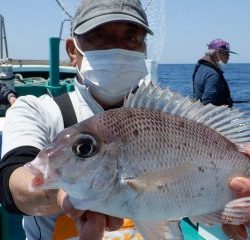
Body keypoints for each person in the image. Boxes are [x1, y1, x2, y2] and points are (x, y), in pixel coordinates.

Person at [0, 0, 152, 239]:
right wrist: (66, 195)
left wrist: (229, 214)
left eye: (131, 38)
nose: (117, 50)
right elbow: (13, 184)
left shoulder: (166, 119)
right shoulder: (37, 110)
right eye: (100, 36)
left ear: (144, 50)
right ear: (73, 50)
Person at [192, 38, 237, 107]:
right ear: (215, 53)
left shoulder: (200, 68)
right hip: (211, 116)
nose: (228, 56)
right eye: (225, 53)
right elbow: (207, 102)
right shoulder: (213, 75)